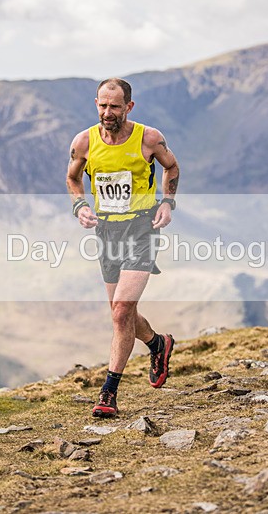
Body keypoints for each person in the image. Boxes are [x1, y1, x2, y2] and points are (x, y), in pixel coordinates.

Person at [66, 77, 180, 418]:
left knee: (120, 312)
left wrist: (167, 203)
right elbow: (73, 178)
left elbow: (171, 166)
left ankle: (108, 393)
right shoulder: (84, 142)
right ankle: (158, 344)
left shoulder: (149, 138)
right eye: (102, 105)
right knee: (122, 312)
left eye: (115, 106)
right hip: (107, 232)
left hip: (142, 228)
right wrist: (80, 206)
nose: (107, 112)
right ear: (96, 104)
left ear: (129, 107)